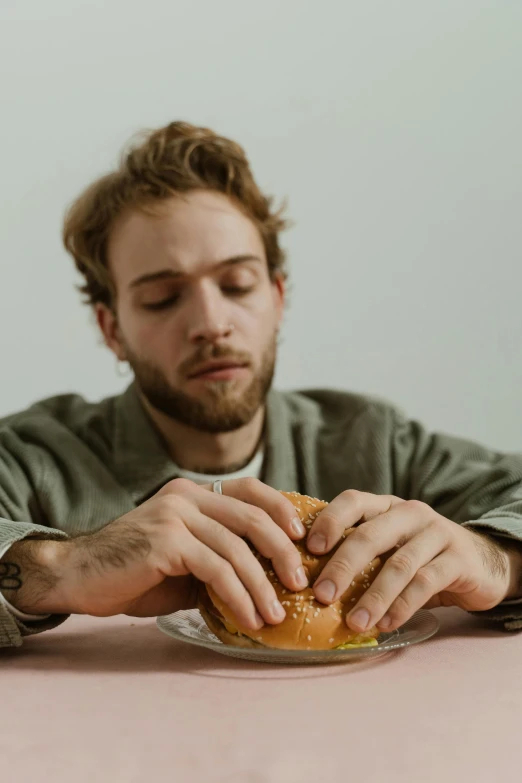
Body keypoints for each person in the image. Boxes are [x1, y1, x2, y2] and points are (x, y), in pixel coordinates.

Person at [1, 121, 521, 651]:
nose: (211, 322)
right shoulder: (30, 458)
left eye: (237, 285)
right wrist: (62, 567)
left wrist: (497, 558)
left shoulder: (373, 441)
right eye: (162, 297)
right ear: (113, 329)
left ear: (276, 297)